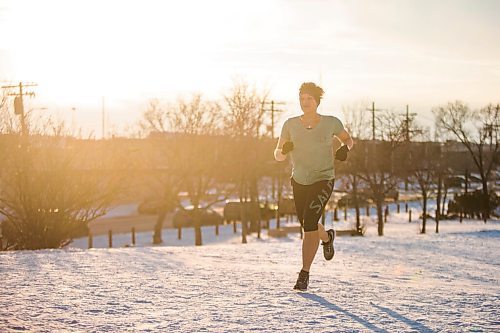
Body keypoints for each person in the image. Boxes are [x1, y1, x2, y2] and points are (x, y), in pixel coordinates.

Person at [274, 82, 354, 291]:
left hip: (323, 178)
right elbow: (278, 155)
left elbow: (348, 140)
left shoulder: (331, 123)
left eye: (309, 98)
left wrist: (345, 149)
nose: (305, 102)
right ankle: (328, 237)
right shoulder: (290, 124)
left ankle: (304, 273)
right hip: (299, 180)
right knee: (307, 223)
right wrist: (285, 150)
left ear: (317, 101)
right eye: (302, 99)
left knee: (309, 222)